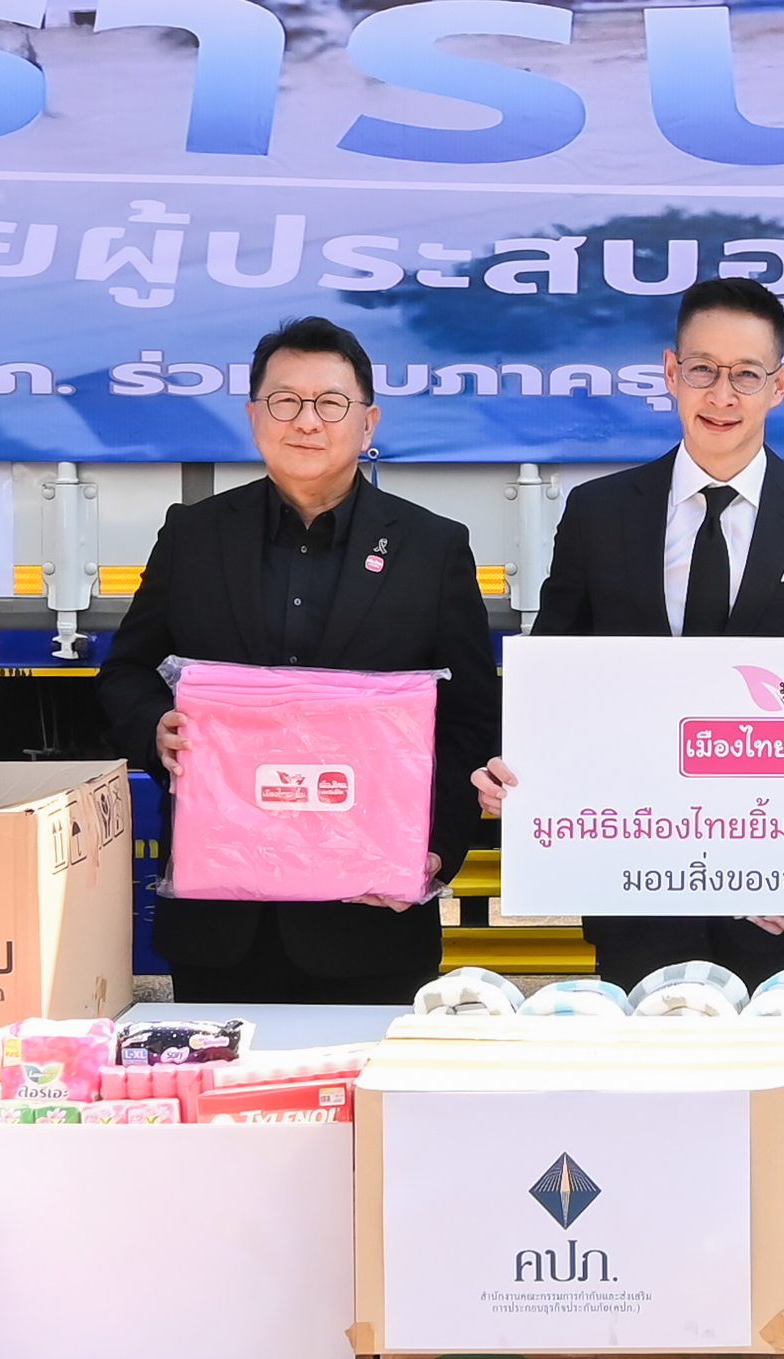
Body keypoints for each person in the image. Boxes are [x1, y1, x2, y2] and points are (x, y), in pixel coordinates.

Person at [474, 278, 784, 989]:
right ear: (671, 373)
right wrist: (515, 771)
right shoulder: (599, 513)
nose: (722, 395)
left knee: (774, 1052)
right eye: (703, 370)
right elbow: (554, 680)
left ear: (780, 384)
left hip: (777, 889)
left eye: (746, 374)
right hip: (634, 876)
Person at [98, 316, 501, 1003]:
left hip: (370, 916)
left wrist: (432, 849)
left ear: (368, 422)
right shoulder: (194, 535)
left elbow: (468, 716)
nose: (307, 421)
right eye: (285, 401)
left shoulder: (432, 548)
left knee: (373, 1074)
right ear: (254, 416)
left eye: (330, 403)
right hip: (222, 918)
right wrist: (154, 727)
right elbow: (126, 672)